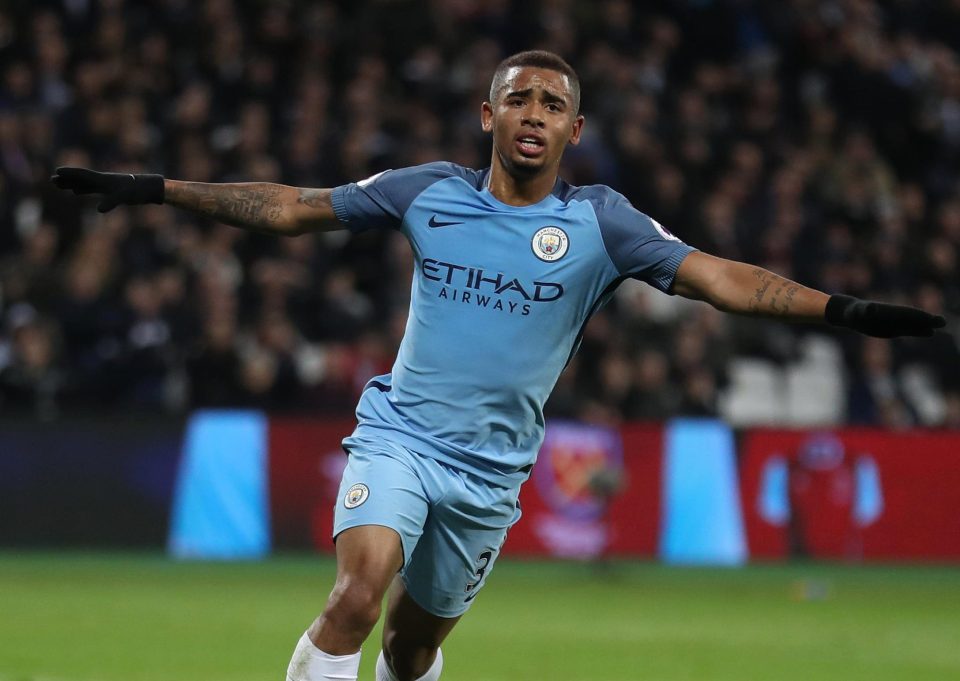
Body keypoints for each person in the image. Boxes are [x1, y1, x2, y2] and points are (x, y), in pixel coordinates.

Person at [51, 50, 944, 681]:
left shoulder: (604, 223)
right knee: (358, 593)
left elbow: (722, 279)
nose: (535, 116)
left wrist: (844, 310)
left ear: (575, 129)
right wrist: (152, 189)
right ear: (490, 113)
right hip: (400, 435)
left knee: (408, 650)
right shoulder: (427, 191)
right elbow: (291, 208)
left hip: (492, 473)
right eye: (520, 99)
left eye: (553, 106)